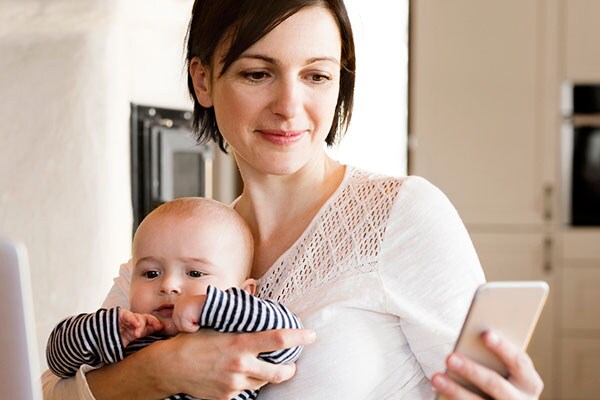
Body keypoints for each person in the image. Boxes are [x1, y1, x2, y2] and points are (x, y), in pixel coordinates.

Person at [42, 0, 545, 398]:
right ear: (203, 80)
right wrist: (164, 369)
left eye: (317, 76)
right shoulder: (176, 242)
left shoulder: (402, 215)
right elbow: (49, 391)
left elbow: (482, 386)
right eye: (257, 73)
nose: (289, 107)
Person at [45, 197, 303, 400]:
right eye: (151, 273)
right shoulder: (127, 336)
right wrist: (107, 328)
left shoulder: (237, 335)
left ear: (244, 293)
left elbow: (288, 339)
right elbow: (58, 362)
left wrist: (210, 306)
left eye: (195, 273)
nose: (168, 285)